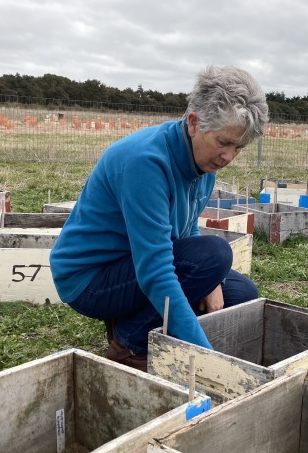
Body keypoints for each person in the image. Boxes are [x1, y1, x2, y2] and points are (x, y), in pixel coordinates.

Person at [49, 66, 268, 372]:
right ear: (194, 122)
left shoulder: (202, 163)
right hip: (91, 279)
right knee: (215, 254)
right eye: (223, 142)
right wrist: (208, 361)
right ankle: (130, 343)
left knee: (240, 292)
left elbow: (187, 228)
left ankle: (138, 319)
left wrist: (213, 280)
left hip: (134, 265)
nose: (228, 157)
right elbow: (156, 269)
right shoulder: (146, 163)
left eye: (238, 147)